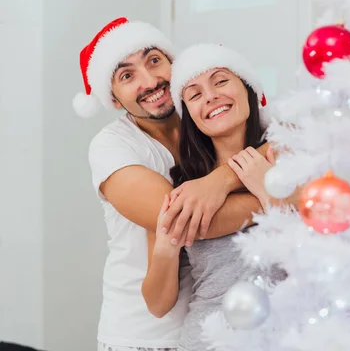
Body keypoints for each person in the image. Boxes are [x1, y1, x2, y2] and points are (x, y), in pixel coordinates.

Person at [76, 18, 270, 351]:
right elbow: (182, 220)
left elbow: (292, 140)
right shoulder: (112, 146)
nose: (150, 81)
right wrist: (282, 199)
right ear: (114, 99)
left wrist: (220, 181)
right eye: (127, 75)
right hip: (145, 335)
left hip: (232, 325)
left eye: (154, 61)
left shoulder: (206, 116)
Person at [143, 43, 294, 351]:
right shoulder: (179, 188)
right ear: (190, 116)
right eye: (195, 94)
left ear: (248, 88)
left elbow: (315, 258)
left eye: (221, 80)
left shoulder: (289, 156)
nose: (211, 96)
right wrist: (165, 247)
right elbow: (157, 305)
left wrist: (264, 189)